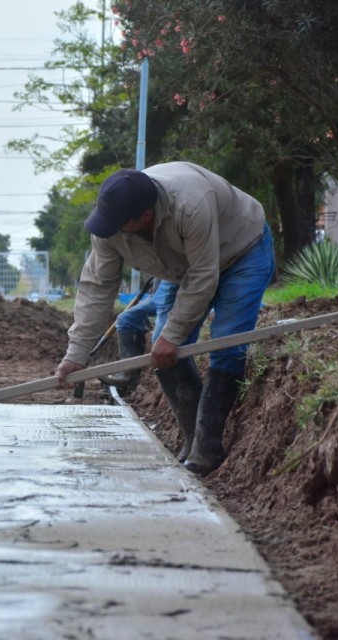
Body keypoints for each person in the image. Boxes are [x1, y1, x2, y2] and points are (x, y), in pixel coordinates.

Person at [56, 162, 275, 475]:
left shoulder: (190, 204)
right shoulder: (110, 226)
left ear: (145, 216)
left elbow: (203, 277)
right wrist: (76, 353)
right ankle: (192, 436)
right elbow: (97, 287)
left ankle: (206, 446)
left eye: (118, 225)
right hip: (181, 265)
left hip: (241, 251)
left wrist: (173, 336)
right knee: (163, 350)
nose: (111, 230)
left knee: (226, 343)